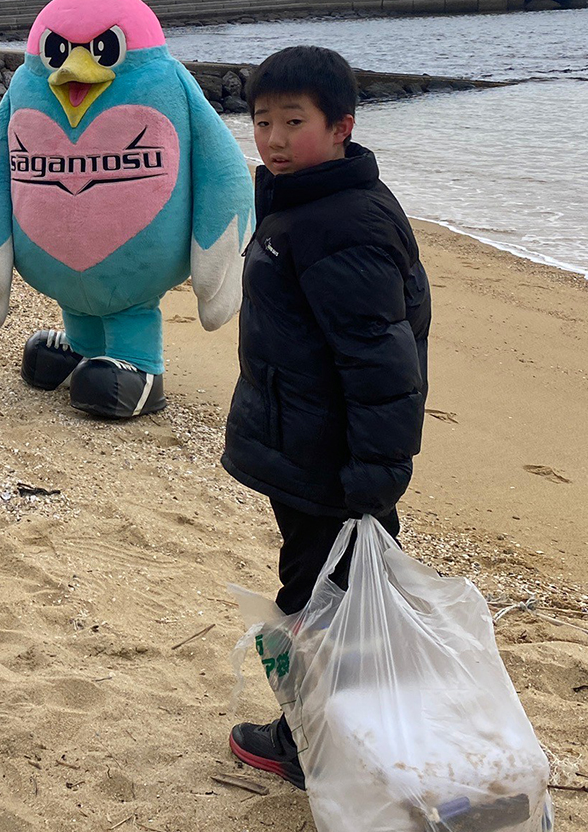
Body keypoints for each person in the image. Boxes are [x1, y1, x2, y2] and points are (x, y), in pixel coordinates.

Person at [220, 46, 431, 789]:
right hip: (309, 452)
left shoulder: (340, 222)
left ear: (342, 126)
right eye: (262, 121)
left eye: (293, 122)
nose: (273, 139)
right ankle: (342, 737)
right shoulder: (304, 204)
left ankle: (313, 746)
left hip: (336, 470)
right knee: (328, 603)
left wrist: (371, 483)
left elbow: (382, 366)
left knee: (328, 612)